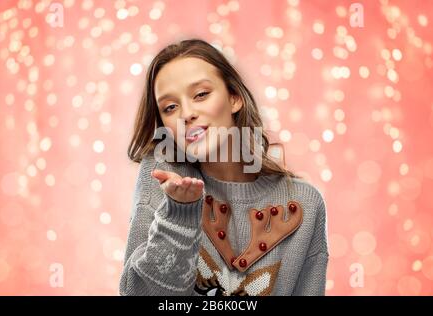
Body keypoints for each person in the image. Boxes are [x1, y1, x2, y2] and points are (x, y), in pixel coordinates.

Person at [119, 38, 329, 296]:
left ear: (234, 98)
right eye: (170, 107)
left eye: (201, 95)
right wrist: (180, 214)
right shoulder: (163, 179)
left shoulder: (305, 203)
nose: (187, 114)